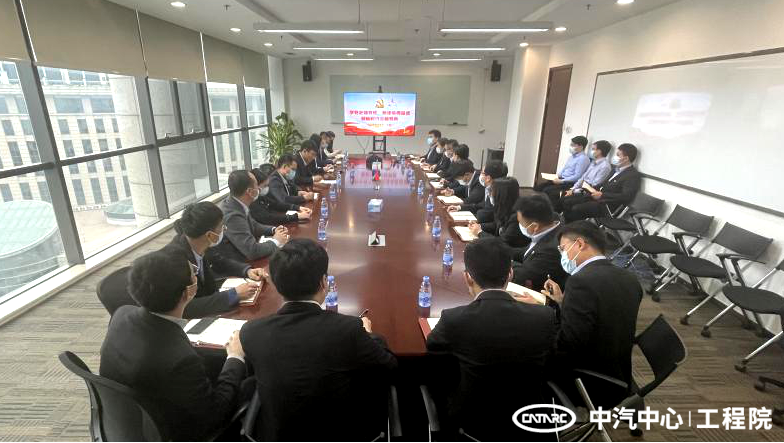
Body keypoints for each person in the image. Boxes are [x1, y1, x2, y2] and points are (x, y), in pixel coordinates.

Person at [240, 239, 398, 440]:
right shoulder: (348, 330)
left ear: (277, 286)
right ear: (324, 282)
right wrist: (369, 336)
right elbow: (389, 367)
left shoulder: (251, 332)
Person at [100, 250, 247, 442]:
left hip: (129, 418)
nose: (196, 273)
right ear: (188, 291)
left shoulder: (122, 313)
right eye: (193, 273)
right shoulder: (180, 359)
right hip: (175, 430)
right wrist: (235, 356)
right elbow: (215, 413)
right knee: (250, 384)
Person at [426, 237, 558, 440]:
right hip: (529, 421)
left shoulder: (454, 319)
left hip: (475, 422)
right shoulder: (544, 317)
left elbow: (434, 351)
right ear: (510, 274)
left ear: (467, 277)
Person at [520, 221, 642, 407]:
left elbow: (568, 345)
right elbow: (601, 316)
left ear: (579, 244)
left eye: (563, 249)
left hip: (588, 377)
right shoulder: (628, 277)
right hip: (618, 368)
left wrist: (539, 315)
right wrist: (562, 302)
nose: (562, 255)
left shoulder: (581, 281)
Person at [163, 202, 267, 318]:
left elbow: (220, 262)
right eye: (222, 227)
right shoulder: (174, 261)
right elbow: (185, 307)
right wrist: (233, 295)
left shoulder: (199, 241)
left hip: (210, 306)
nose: (224, 229)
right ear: (209, 235)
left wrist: (247, 271)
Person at [214, 170, 289, 262]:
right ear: (249, 191)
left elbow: (254, 225)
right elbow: (252, 251)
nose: (259, 188)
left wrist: (273, 230)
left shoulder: (238, 202)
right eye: (256, 185)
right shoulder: (232, 215)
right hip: (239, 262)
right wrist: (276, 241)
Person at [562, 143, 642, 223]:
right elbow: (603, 184)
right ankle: (565, 224)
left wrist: (602, 195)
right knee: (567, 200)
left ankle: (574, 227)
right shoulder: (615, 169)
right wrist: (586, 190)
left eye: (618, 155)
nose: (615, 157)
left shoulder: (632, 175)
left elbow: (626, 196)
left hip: (607, 205)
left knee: (577, 208)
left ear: (626, 158)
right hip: (598, 197)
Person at [511, 194, 568, 291]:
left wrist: (502, 260)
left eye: (521, 223)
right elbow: (526, 252)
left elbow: (524, 274)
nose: (520, 226)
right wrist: (500, 250)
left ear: (535, 226)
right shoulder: (553, 223)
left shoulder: (551, 250)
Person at [469, 177, 529, 255]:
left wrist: (480, 232)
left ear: (502, 195)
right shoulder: (503, 207)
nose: (489, 194)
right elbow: (496, 225)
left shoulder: (517, 217)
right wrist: (479, 226)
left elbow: (501, 242)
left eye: (492, 191)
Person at [554, 140, 613, 212]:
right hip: (581, 188)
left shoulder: (605, 166)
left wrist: (574, 191)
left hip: (588, 192)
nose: (591, 151)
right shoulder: (593, 162)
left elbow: (594, 185)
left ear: (599, 151)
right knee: (562, 196)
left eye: (593, 149)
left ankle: (563, 217)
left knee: (566, 200)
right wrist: (572, 189)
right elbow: (583, 177)